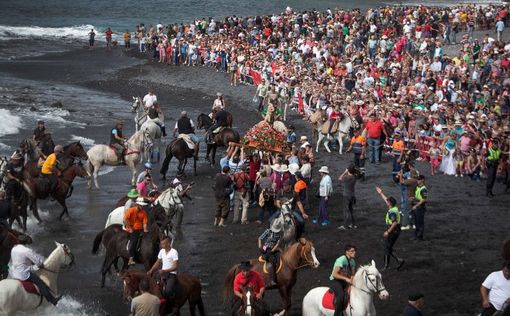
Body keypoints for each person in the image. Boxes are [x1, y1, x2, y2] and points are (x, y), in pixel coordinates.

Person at [9, 240, 61, 305]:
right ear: (25, 243)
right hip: (23, 274)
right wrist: (39, 265)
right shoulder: (26, 250)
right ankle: (52, 300)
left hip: (14, 273)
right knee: (41, 283)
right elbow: (39, 262)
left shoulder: (13, 249)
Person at [375, 186, 405, 271]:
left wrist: (388, 231)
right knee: (388, 247)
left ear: (390, 203)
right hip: (397, 230)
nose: (386, 202)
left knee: (387, 247)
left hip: (393, 231)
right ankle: (397, 260)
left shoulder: (392, 212)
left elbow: (394, 222)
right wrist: (381, 193)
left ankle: (389, 264)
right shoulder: (394, 208)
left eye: (388, 201)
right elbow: (386, 200)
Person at [147, 236, 178, 305]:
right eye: (161, 244)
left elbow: (175, 267)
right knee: (154, 287)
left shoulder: (174, 252)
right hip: (162, 274)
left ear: (168, 243)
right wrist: (151, 270)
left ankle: (173, 306)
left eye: (163, 244)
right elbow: (158, 262)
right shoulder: (161, 251)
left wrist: (165, 271)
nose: (162, 246)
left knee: (168, 291)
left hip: (171, 274)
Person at [329, 244, 357, 316]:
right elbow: (334, 274)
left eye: (355, 251)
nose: (354, 252)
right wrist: (346, 279)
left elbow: (352, 275)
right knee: (341, 295)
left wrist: (351, 283)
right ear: (347, 252)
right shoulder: (342, 259)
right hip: (336, 281)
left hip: (345, 282)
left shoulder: (353, 262)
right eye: (352, 251)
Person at [124, 197, 149, 266]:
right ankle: (131, 259)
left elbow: (145, 222)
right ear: (137, 204)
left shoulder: (143, 212)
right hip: (131, 228)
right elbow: (125, 220)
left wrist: (145, 229)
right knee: (134, 240)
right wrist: (129, 227)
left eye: (143, 205)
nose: (142, 206)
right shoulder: (131, 210)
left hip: (140, 229)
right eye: (141, 205)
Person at [258, 219, 282, 284]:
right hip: (266, 247)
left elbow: (277, 243)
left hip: (273, 248)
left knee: (281, 257)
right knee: (273, 261)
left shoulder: (279, 234)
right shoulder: (268, 231)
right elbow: (260, 238)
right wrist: (260, 246)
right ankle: (273, 279)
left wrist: (273, 250)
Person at [338, 166, 358, 230]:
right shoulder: (354, 177)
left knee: (345, 211)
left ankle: (344, 225)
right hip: (352, 195)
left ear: (348, 171)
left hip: (346, 195)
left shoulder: (346, 177)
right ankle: (353, 224)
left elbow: (340, 178)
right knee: (351, 210)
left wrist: (344, 172)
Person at [411, 175, 427, 241]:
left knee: (420, 223)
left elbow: (424, 199)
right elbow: (418, 197)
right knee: (416, 222)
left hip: (420, 208)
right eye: (417, 179)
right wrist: (413, 198)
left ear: (422, 180)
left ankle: (419, 237)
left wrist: (416, 206)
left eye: (419, 180)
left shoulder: (423, 189)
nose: (417, 181)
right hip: (416, 206)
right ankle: (416, 236)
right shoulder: (418, 187)